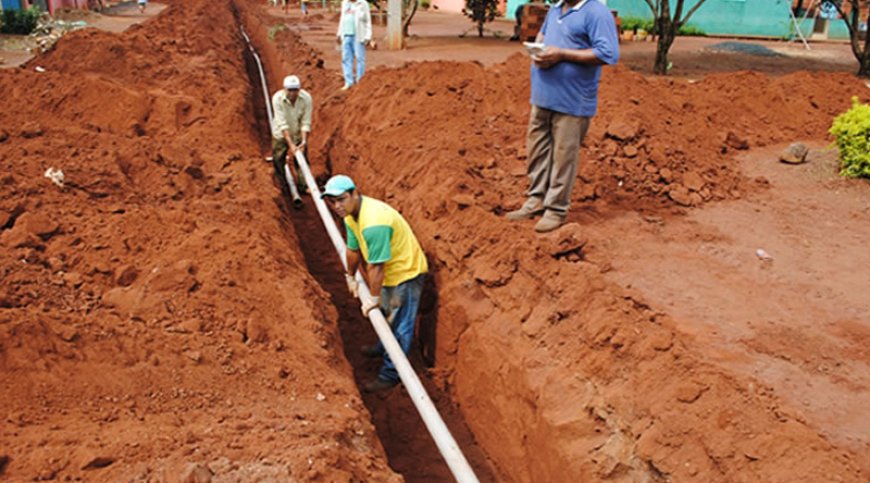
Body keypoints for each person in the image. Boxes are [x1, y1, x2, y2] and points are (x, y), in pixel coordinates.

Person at [506, 0, 619, 233]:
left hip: (572, 101)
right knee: (538, 151)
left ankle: (556, 209)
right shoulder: (556, 9)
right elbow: (543, 35)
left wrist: (562, 55)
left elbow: (608, 53)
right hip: (543, 96)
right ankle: (536, 199)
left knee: (563, 157)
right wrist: (538, 49)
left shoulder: (596, 12)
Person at [321, 175, 429, 392]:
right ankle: (383, 346)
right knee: (389, 312)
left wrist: (373, 298)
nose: (337, 206)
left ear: (354, 193)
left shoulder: (374, 223)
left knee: (401, 326)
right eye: (332, 202)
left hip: (405, 274)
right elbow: (352, 250)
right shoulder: (350, 215)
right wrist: (350, 276)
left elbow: (376, 266)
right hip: (390, 273)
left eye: (341, 199)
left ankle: (391, 374)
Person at [271, 75, 312, 201]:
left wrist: (304, 141)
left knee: (302, 159)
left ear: (299, 89)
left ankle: (303, 185)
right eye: (290, 90)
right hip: (280, 133)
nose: (293, 93)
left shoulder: (306, 98)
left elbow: (306, 122)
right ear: (284, 89)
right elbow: (282, 123)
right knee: (278, 158)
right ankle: (282, 185)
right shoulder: (277, 99)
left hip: (298, 133)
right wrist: (291, 145)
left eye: (295, 90)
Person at [336, 0, 372, 91]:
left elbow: (368, 21)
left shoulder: (363, 4)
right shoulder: (345, 3)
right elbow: (342, 19)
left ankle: (360, 81)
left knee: (360, 58)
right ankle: (348, 82)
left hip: (358, 35)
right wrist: (339, 33)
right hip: (346, 34)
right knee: (346, 58)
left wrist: (368, 36)